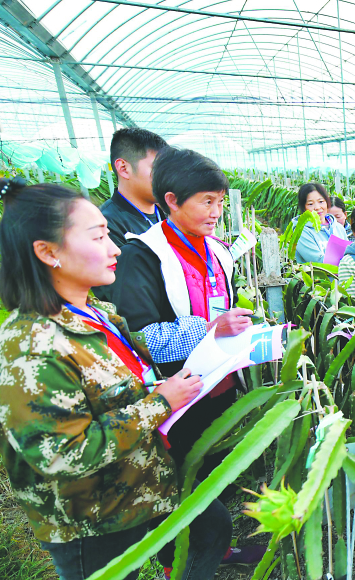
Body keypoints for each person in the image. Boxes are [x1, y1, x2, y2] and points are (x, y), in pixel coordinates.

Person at [0, 171, 231, 580]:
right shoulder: (29, 350)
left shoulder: (93, 311)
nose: (114, 247)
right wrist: (160, 403)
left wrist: (207, 333)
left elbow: (130, 358)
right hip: (90, 520)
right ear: (47, 252)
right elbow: (64, 455)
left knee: (210, 528)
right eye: (98, 237)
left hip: (140, 483)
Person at [110, 148, 254, 476]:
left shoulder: (217, 250)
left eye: (220, 202)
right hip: (178, 396)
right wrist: (207, 329)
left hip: (221, 383)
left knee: (220, 470)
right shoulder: (142, 256)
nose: (216, 212)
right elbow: (139, 339)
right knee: (189, 476)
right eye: (207, 201)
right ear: (173, 200)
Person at [94, 128, 168, 302]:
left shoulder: (168, 213)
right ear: (124, 168)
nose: (167, 177)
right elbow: (125, 294)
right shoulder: (106, 225)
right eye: (158, 169)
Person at [291, 183, 347, 263]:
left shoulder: (338, 227)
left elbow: (348, 254)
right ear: (304, 208)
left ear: (327, 202)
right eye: (310, 204)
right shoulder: (301, 232)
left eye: (321, 201)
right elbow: (319, 262)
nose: (317, 207)